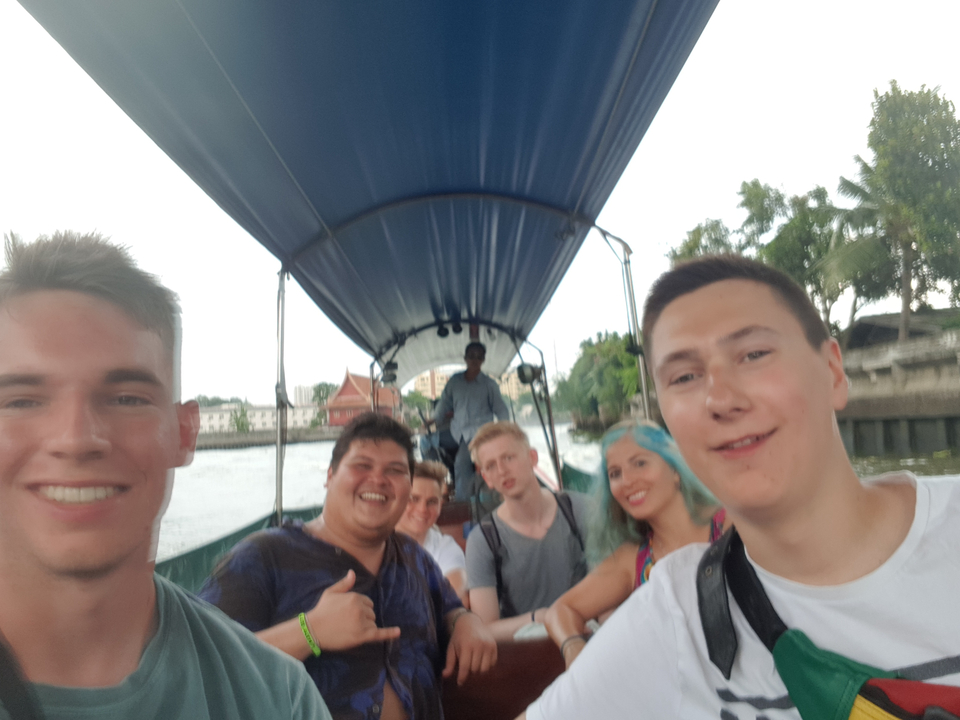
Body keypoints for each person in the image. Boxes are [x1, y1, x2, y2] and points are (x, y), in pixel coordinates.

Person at [521, 254, 960, 720]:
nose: (721, 399)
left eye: (754, 355)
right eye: (685, 376)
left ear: (833, 372)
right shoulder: (673, 617)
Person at [0, 232, 330, 720]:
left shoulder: (278, 697)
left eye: (127, 398)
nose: (75, 438)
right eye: (21, 401)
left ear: (184, 432)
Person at [199, 412, 496, 720]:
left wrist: (464, 622)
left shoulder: (413, 555)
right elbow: (198, 669)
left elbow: (449, 607)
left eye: (395, 470)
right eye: (361, 466)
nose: (378, 479)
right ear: (330, 475)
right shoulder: (262, 557)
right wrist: (308, 632)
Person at [544, 420, 723, 667]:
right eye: (615, 474)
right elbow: (560, 610)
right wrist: (573, 646)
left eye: (640, 463)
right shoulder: (633, 559)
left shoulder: (731, 524)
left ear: (675, 469)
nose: (626, 481)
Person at [466, 422, 590, 640]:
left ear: (532, 457)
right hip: (528, 652)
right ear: (487, 479)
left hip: (589, 634)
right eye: (491, 466)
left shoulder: (580, 510)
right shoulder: (483, 541)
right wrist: (539, 618)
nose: (502, 470)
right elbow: (485, 627)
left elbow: (613, 585)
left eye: (509, 458)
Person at [432, 342, 510, 500]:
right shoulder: (455, 381)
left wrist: (504, 432)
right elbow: (444, 403)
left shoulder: (489, 385)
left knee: (461, 462)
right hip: (456, 432)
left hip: (478, 435)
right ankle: (439, 479)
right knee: (426, 441)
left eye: (479, 356)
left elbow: (501, 410)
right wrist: (433, 420)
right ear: (465, 358)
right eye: (471, 356)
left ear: (483, 359)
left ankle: (464, 503)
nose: (475, 360)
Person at [395, 460, 470, 606]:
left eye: (431, 502)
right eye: (413, 499)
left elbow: (457, 601)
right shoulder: (373, 543)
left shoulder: (445, 547)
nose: (422, 509)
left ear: (440, 505)